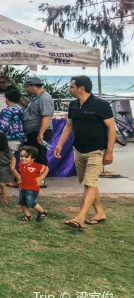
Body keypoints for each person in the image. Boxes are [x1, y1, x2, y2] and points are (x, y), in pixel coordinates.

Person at [54, 75, 116, 230]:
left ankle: (80, 218)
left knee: (89, 184)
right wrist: (60, 144)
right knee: (89, 184)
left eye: (71, 86)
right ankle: (100, 212)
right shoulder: (73, 105)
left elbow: (112, 128)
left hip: (96, 151)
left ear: (81, 88)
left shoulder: (101, 105)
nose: (69, 89)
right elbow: (69, 126)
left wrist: (109, 152)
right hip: (78, 150)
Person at [22, 77, 54, 176]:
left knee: (39, 154)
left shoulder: (44, 98)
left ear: (33, 86)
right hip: (32, 131)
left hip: (39, 130)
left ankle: (41, 178)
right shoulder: (36, 97)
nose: (26, 89)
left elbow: (46, 116)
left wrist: (41, 133)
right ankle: (34, 175)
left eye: (27, 86)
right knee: (33, 154)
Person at [0, 88, 26, 188]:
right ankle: (14, 179)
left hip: (8, 138)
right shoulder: (20, 110)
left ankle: (13, 180)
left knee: (7, 161)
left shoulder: (7, 111)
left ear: (7, 99)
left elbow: (3, 126)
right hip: (19, 138)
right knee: (13, 159)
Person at [16, 146, 48, 222]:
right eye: (21, 156)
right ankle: (27, 216)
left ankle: (42, 211)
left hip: (32, 188)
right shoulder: (20, 164)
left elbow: (46, 169)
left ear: (33, 158)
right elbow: (24, 174)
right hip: (22, 187)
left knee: (31, 202)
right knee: (22, 202)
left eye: (26, 157)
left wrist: (41, 178)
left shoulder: (36, 166)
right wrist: (21, 180)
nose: (23, 158)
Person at [0, 132, 18, 205]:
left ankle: (4, 199)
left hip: (4, 168)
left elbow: (13, 158)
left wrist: (12, 167)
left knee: (2, 184)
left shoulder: (7, 150)